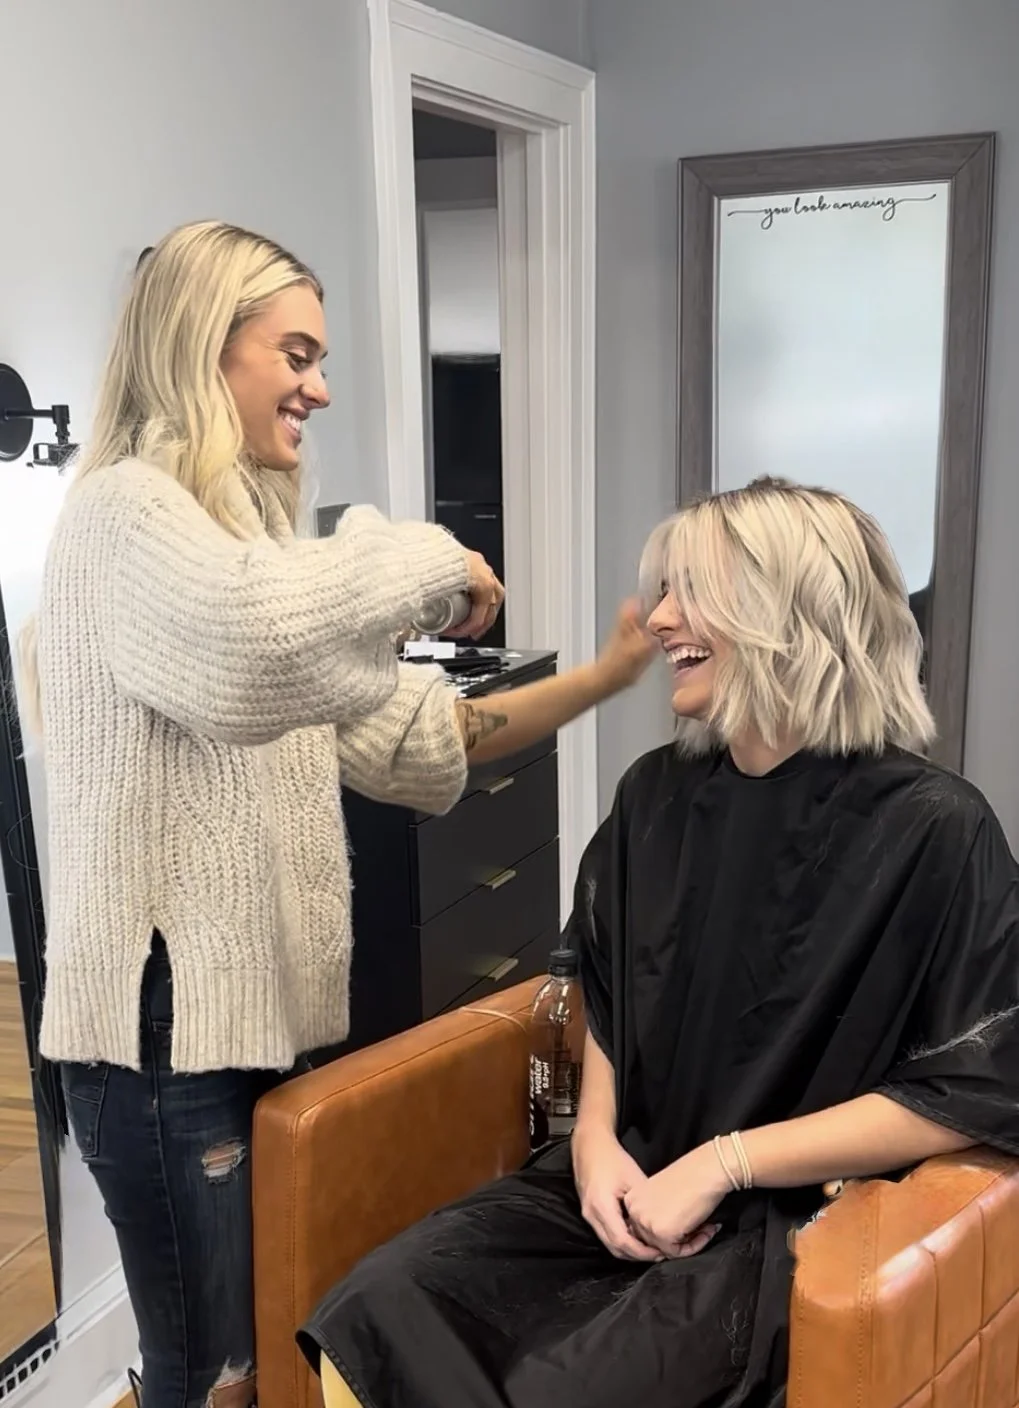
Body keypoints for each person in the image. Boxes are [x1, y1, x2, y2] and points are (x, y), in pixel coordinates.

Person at [23, 220, 657, 1408]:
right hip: (165, 1041)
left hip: (250, 1022)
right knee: (214, 1373)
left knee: (268, 1340)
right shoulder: (123, 516)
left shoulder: (237, 545)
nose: (317, 387)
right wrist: (420, 557)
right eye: (296, 353)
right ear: (207, 345)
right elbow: (253, 635)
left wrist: (601, 680)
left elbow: (416, 739)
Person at [300, 476, 1019, 1408]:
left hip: (780, 1221)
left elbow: (972, 1089)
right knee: (375, 1308)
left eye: (693, 592)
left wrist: (724, 1164)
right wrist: (595, 1141)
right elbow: (610, 985)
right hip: (624, 1176)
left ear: (786, 610)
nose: (660, 618)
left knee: (564, 1391)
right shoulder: (654, 797)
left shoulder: (935, 828)